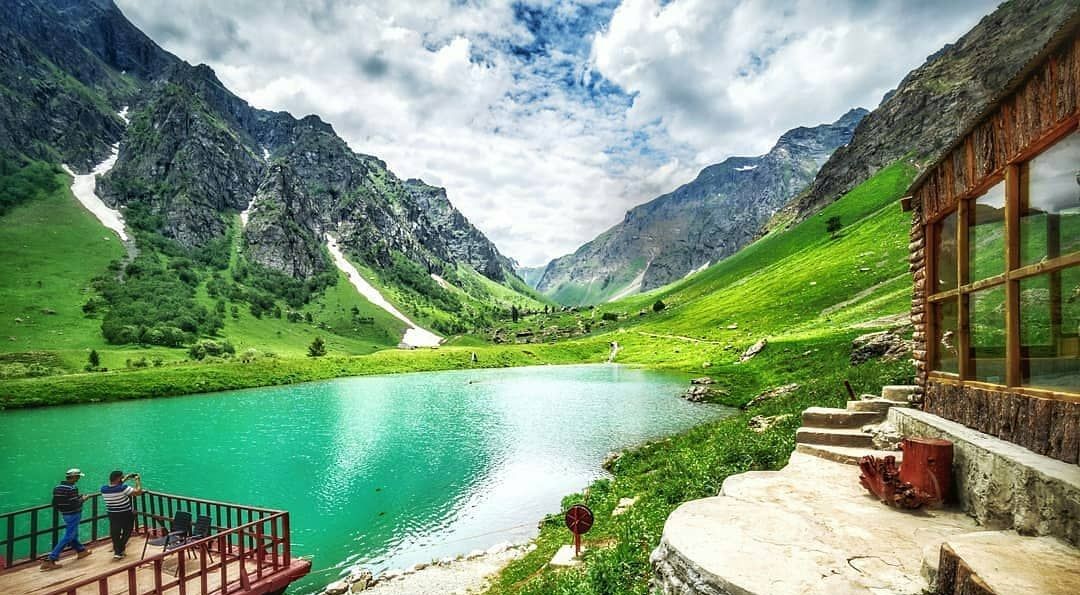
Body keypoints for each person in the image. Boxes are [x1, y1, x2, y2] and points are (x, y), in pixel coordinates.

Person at [41, 468, 92, 571]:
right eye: (77, 477)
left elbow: (55, 503)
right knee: (69, 536)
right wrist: (83, 499)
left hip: (65, 514)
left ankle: (81, 551)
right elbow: (75, 503)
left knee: (72, 534)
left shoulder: (57, 487)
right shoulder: (72, 488)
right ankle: (50, 559)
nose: (78, 479)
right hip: (74, 514)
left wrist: (71, 502)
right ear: (73, 477)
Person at [101, 470, 143, 560]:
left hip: (112, 513)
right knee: (127, 531)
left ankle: (118, 551)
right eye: (121, 477)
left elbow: (116, 485)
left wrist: (126, 478)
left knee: (115, 532)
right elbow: (138, 492)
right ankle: (120, 549)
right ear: (119, 479)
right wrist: (137, 480)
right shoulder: (123, 488)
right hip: (125, 513)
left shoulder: (104, 489)